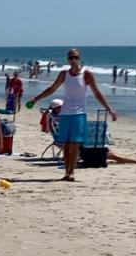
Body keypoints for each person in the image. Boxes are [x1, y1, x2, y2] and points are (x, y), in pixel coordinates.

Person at [26, 48, 117, 182]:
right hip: (65, 112)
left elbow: (97, 94)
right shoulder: (64, 74)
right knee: (66, 144)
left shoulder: (87, 74)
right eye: (70, 58)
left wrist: (109, 109)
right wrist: (35, 99)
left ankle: (71, 172)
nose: (73, 60)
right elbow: (52, 89)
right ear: (68, 59)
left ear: (79, 58)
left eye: (76, 57)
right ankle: (66, 172)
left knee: (74, 144)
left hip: (79, 113)